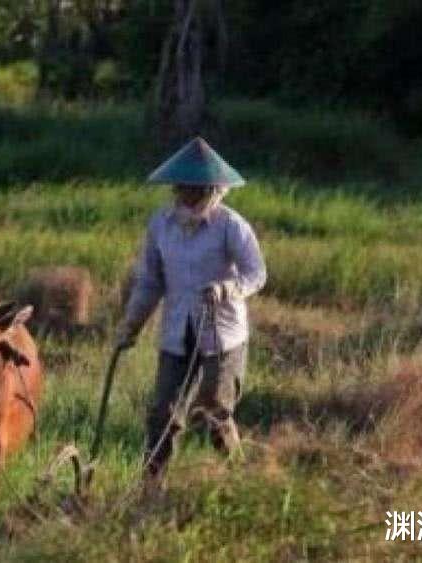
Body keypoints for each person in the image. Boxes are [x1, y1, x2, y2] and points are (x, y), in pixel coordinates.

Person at [116, 137, 266, 485]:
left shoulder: (231, 226)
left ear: (214, 190)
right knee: (162, 415)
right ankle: (151, 485)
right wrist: (131, 326)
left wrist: (228, 289)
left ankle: (236, 478)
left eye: (196, 191)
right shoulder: (161, 225)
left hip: (222, 334)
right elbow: (150, 281)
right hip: (177, 334)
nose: (188, 197)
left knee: (212, 412)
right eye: (183, 190)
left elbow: (256, 273)